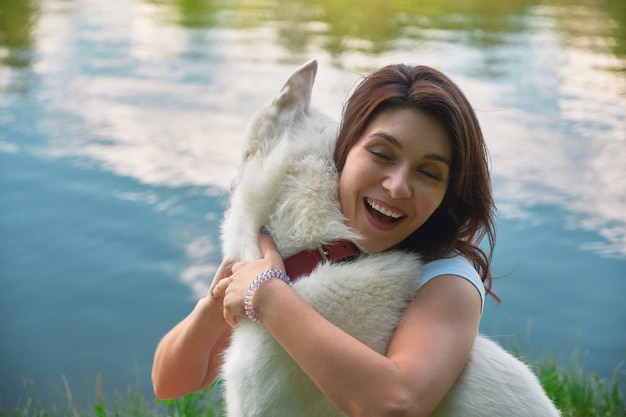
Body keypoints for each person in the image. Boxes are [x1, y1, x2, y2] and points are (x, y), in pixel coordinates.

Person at [152, 63, 497, 416]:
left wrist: (267, 295)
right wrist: (216, 305)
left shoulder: (448, 279)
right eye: (381, 154)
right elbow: (169, 383)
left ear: (446, 193)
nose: (397, 187)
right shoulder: (311, 245)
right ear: (345, 151)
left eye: (428, 172)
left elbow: (398, 405)